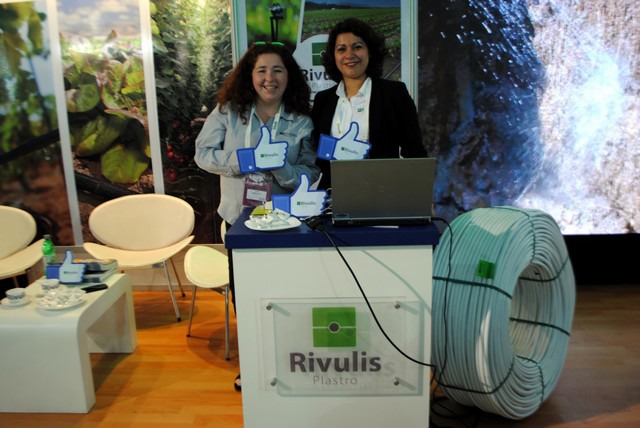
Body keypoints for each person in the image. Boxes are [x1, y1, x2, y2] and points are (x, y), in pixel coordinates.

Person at [194, 42, 320, 392]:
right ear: (249, 76)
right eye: (261, 70)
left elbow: (311, 171)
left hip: (285, 225)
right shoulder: (228, 112)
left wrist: (282, 169)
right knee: (246, 295)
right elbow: (203, 154)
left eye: (278, 70)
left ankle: (290, 357)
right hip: (240, 224)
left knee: (285, 295)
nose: (269, 78)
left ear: (289, 76)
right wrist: (246, 160)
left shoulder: (301, 120)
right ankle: (252, 362)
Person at [311, 18, 428, 189]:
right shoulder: (323, 100)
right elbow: (317, 154)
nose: (349, 55)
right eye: (341, 49)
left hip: (382, 193)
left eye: (357, 47)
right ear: (333, 56)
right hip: (333, 195)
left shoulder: (394, 94)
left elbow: (415, 152)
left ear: (370, 52)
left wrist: (420, 195)